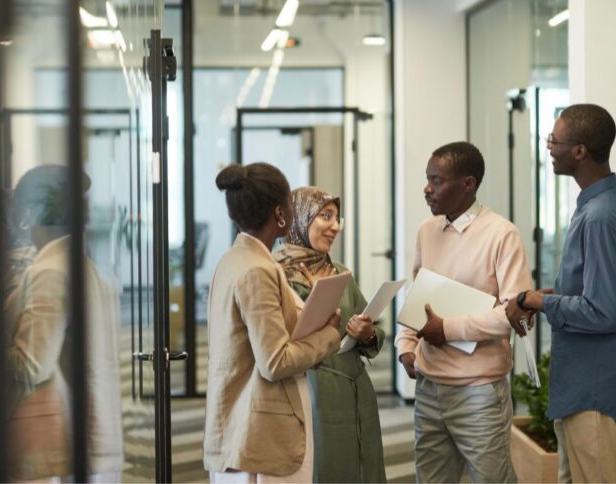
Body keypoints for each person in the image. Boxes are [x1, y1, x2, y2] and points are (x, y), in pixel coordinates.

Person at [506, 103, 616, 483]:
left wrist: (536, 301)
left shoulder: (601, 215)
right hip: (584, 391)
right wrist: (544, 296)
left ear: (580, 150)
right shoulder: (604, 204)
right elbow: (596, 290)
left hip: (595, 395)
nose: (549, 147)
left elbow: (605, 310)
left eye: (555, 140)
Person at [0, 165, 124, 482]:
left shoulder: (50, 270)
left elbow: (32, 365)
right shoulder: (81, 264)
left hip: (61, 441)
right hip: (89, 434)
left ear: (30, 212)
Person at [394, 141, 532, 483]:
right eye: (427, 179)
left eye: (436, 181)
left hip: (479, 393)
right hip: (428, 388)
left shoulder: (502, 234)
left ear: (468, 184)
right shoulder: (427, 232)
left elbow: (515, 315)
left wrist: (449, 329)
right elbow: (416, 296)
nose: (427, 189)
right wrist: (405, 345)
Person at [204, 163, 342, 482]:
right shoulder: (257, 270)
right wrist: (328, 337)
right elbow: (275, 361)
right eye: (290, 205)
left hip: (241, 422)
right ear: (280, 213)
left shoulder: (234, 260)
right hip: (260, 432)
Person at [273, 186, 387, 483]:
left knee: (365, 467)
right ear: (300, 218)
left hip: (357, 391)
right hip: (313, 392)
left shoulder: (339, 272)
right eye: (325, 216)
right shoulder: (277, 275)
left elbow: (374, 328)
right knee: (325, 468)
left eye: (338, 218)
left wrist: (366, 333)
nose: (335, 226)